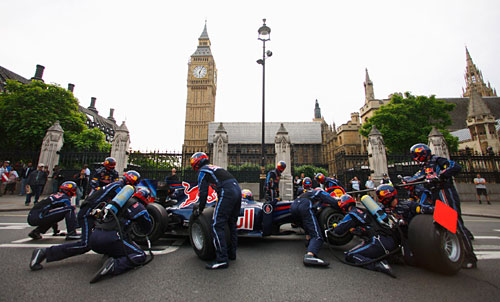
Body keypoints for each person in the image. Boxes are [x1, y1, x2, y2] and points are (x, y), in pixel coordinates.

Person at [29, 170, 141, 271]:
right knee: (85, 245)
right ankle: (44, 253)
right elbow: (122, 203)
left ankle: (112, 252)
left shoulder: (116, 185)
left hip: (91, 212)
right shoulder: (119, 188)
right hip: (88, 213)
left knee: (100, 237)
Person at [407, 143, 477, 269]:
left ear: (424, 153)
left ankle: (470, 257)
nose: (416, 159)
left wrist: (441, 175)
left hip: (445, 191)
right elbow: (417, 177)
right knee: (444, 224)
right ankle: (454, 252)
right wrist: (406, 182)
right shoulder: (424, 167)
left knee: (455, 223)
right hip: (434, 194)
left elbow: (455, 166)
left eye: (417, 155)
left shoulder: (438, 161)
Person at [88, 186, 153, 283]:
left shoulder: (114, 203)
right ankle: (114, 266)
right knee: (139, 254)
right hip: (111, 238)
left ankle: (110, 256)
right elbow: (147, 226)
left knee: (122, 243)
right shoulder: (139, 207)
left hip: (93, 239)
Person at [190, 152, 242, 269]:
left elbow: (203, 193)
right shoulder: (215, 167)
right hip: (237, 189)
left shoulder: (203, 171)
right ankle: (231, 254)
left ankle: (222, 259)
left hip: (227, 191)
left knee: (217, 224)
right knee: (231, 223)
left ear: (197, 162)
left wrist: (200, 209)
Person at [332, 194, 397, 277]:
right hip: (390, 240)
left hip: (378, 242)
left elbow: (338, 230)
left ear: (343, 205)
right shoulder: (364, 210)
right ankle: (390, 257)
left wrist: (335, 226)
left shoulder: (352, 214)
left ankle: (378, 264)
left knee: (350, 255)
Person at [290, 178, 339, 267]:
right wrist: (341, 206)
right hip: (305, 206)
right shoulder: (319, 192)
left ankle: (308, 240)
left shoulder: (304, 193)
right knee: (317, 236)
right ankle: (310, 255)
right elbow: (332, 201)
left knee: (306, 223)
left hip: (294, 206)